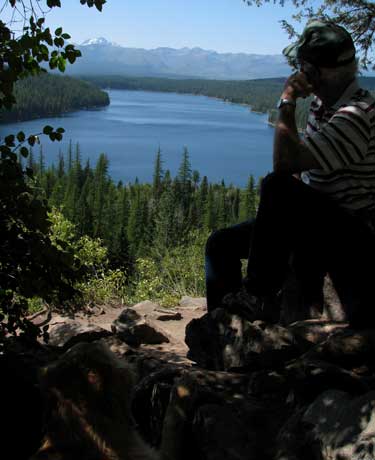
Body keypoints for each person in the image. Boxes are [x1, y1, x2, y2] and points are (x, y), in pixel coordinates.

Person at [205, 20, 375, 327]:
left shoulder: (357, 114)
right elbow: (301, 172)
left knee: (276, 185)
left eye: (303, 66)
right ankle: (225, 330)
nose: (297, 72)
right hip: (320, 220)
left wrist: (287, 99)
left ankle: (256, 296)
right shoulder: (325, 106)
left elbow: (284, 165)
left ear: (319, 72)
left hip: (354, 232)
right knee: (221, 244)